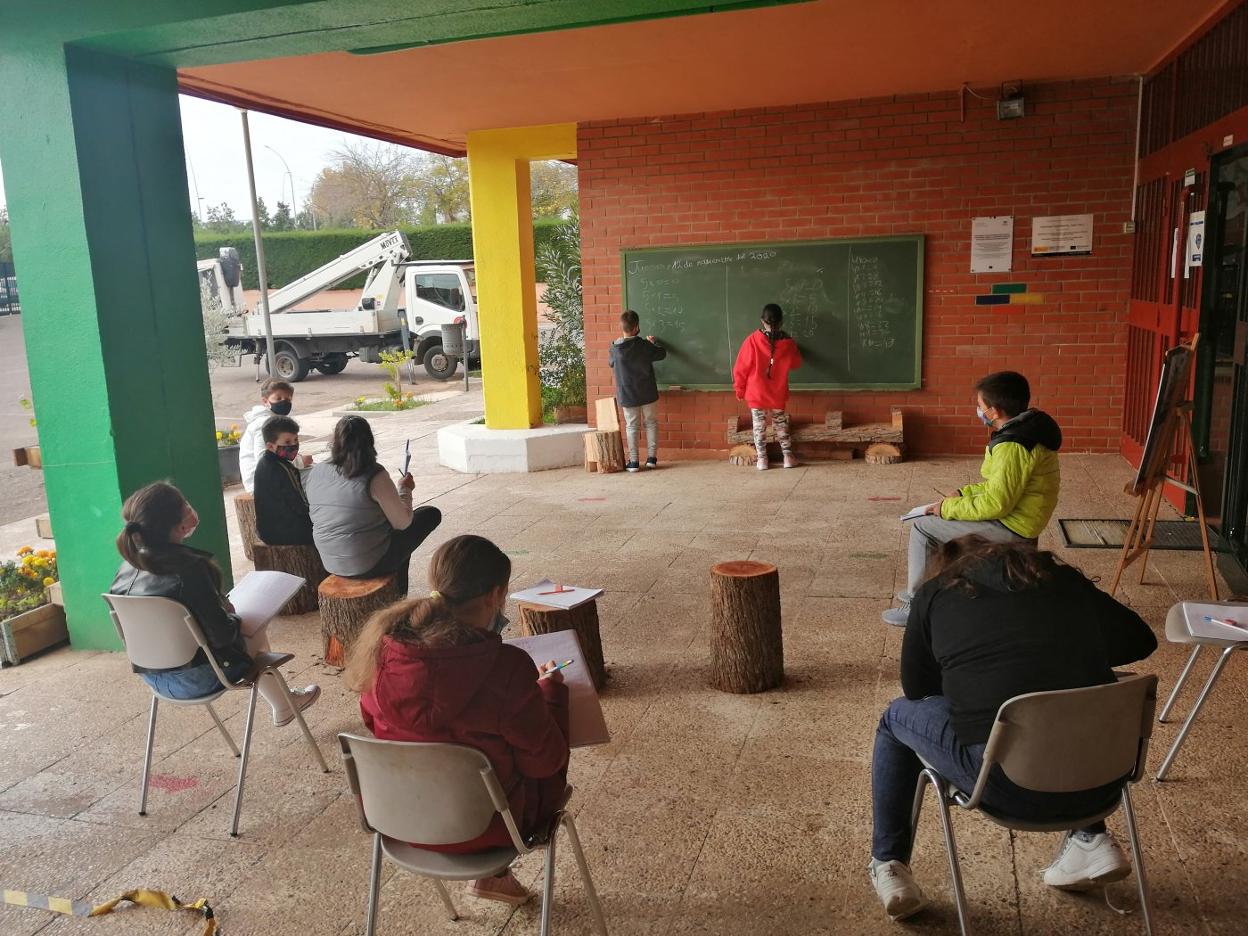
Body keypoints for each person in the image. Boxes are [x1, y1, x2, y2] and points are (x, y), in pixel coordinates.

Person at [868, 536, 1157, 922]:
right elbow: (1141, 639)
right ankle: (1092, 837)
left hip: (1004, 785)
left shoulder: (935, 594)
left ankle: (889, 864)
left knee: (895, 718)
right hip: (1106, 779)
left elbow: (917, 690)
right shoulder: (1062, 579)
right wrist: (1068, 646)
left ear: (947, 568)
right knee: (1075, 691)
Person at [345, 535, 569, 906]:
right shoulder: (507, 669)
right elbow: (545, 761)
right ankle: (491, 874)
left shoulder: (381, 654)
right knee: (521, 767)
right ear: (495, 595)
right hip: (494, 829)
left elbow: (376, 726)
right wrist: (552, 696)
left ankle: (493, 879)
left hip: (400, 818)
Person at [109, 481, 320, 725]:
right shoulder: (192, 570)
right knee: (253, 628)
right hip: (202, 678)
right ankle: (284, 705)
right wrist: (231, 615)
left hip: (153, 677)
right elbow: (222, 637)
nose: (191, 508)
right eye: (186, 505)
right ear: (179, 526)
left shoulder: (123, 571)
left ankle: (284, 704)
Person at [882, 371, 1062, 626]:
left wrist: (947, 508)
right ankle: (929, 590)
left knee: (923, 528)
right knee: (940, 520)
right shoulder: (1027, 430)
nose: (978, 411)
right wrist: (963, 494)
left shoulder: (1013, 446)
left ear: (994, 412)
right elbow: (999, 487)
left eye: (980, 407)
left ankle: (915, 604)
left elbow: (997, 504)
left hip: (1013, 527)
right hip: (1021, 519)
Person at [305, 415, 441, 594]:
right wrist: (405, 489)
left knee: (395, 537)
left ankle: (398, 593)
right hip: (368, 563)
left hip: (330, 560)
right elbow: (403, 523)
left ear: (335, 442)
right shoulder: (374, 475)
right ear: (369, 441)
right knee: (428, 514)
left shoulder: (316, 471)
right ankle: (398, 597)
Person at [732, 303, 802, 470]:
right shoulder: (788, 342)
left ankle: (762, 460)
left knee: (758, 425)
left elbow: (740, 368)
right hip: (777, 392)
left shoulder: (752, 340)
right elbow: (796, 363)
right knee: (780, 423)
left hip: (756, 392)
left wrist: (739, 389)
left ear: (762, 321)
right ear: (781, 322)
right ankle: (787, 457)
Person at [609, 309, 667, 471]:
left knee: (632, 426)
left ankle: (633, 462)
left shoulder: (614, 348)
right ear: (636, 327)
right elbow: (662, 354)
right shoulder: (644, 346)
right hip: (647, 392)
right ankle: (651, 459)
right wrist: (654, 342)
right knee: (651, 424)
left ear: (623, 327)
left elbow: (611, 363)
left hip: (627, 394)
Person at [253, 415, 314, 546]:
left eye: (295, 439)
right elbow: (298, 503)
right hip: (285, 533)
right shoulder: (282, 468)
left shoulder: (265, 462)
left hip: (268, 530)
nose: (293, 445)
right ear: (270, 446)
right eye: (287, 442)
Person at [240, 378, 296, 494]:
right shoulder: (263, 424)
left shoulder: (276, 421)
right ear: (265, 401)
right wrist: (299, 462)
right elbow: (263, 458)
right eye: (278, 398)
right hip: (259, 483)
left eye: (287, 399)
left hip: (270, 477)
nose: (284, 402)